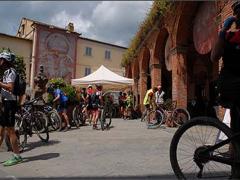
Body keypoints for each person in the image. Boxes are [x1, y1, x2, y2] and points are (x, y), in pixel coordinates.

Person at [211, 1, 240, 177]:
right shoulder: (229, 36)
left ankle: (235, 165)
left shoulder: (230, 35)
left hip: (231, 87)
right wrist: (223, 31)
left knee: (236, 128)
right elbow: (214, 56)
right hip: (232, 87)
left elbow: (215, 57)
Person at [0, 51, 23, 166]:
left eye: (1, 59)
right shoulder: (6, 72)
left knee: (10, 131)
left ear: (5, 60)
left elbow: (10, 87)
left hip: (10, 103)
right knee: (1, 130)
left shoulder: (11, 71)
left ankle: (17, 156)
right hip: (6, 102)